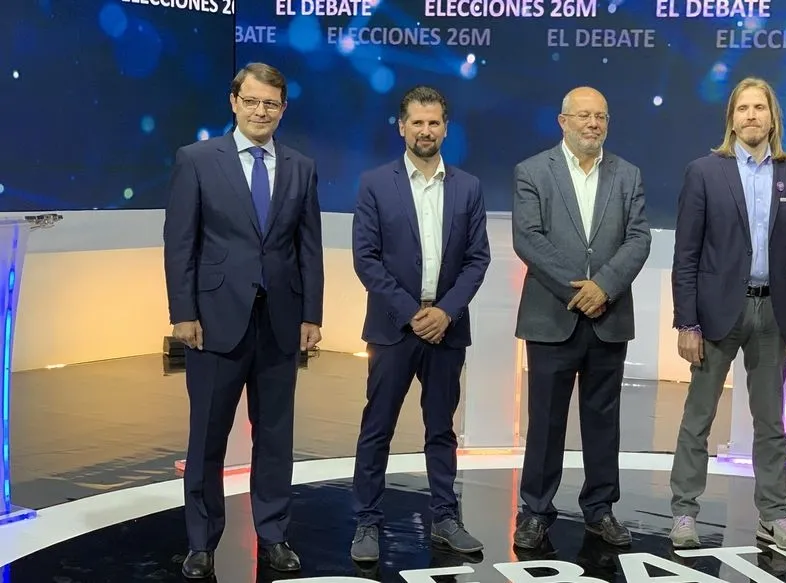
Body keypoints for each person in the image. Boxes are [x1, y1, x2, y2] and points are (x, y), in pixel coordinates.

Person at [163, 62, 324, 579]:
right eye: (251, 101)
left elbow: (309, 248)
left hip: (280, 320)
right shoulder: (196, 160)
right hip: (213, 321)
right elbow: (180, 243)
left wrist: (312, 314)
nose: (261, 111)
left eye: (270, 104)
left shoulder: (300, 166)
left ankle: (273, 535)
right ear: (234, 102)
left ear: (283, 109)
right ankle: (201, 542)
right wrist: (183, 313)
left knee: (275, 436)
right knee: (207, 436)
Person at [668, 76, 786, 552]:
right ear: (731, 118)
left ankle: (774, 515)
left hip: (774, 313)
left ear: (772, 118)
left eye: (759, 108)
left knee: (771, 423)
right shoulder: (704, 172)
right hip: (715, 314)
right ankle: (684, 512)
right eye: (743, 108)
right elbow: (686, 255)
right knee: (698, 417)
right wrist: (687, 322)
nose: (751, 116)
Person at [349, 85, 491, 562]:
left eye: (434, 123)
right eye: (417, 122)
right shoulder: (375, 183)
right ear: (401, 127)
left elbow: (477, 259)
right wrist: (412, 313)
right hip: (394, 328)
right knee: (377, 428)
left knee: (441, 429)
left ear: (446, 129)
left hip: (446, 328)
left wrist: (445, 311)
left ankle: (445, 518)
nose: (425, 130)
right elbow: (366, 259)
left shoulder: (468, 187)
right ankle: (367, 522)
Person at [511, 86, 652, 549]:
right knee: (545, 421)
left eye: (601, 117)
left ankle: (600, 509)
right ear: (563, 121)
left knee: (603, 421)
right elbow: (528, 238)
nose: (593, 124)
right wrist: (581, 290)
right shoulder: (533, 171)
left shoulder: (628, 174)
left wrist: (603, 287)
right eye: (584, 116)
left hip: (608, 317)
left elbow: (638, 238)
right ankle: (535, 511)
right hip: (553, 316)